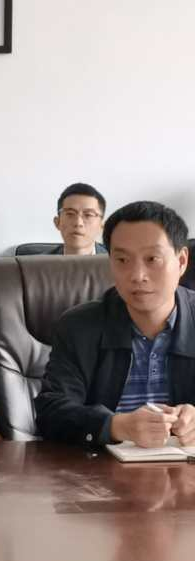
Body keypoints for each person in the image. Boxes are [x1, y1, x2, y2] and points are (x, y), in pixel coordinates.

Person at [34, 201, 194, 448]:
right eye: (122, 260)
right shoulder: (78, 327)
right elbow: (51, 413)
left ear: (181, 261)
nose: (137, 275)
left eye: (152, 259)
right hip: (100, 467)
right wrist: (117, 426)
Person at [49, 182, 108, 256]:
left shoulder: (115, 261)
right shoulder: (39, 262)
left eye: (88, 215)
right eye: (70, 214)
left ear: (101, 226)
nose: (78, 223)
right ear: (57, 222)